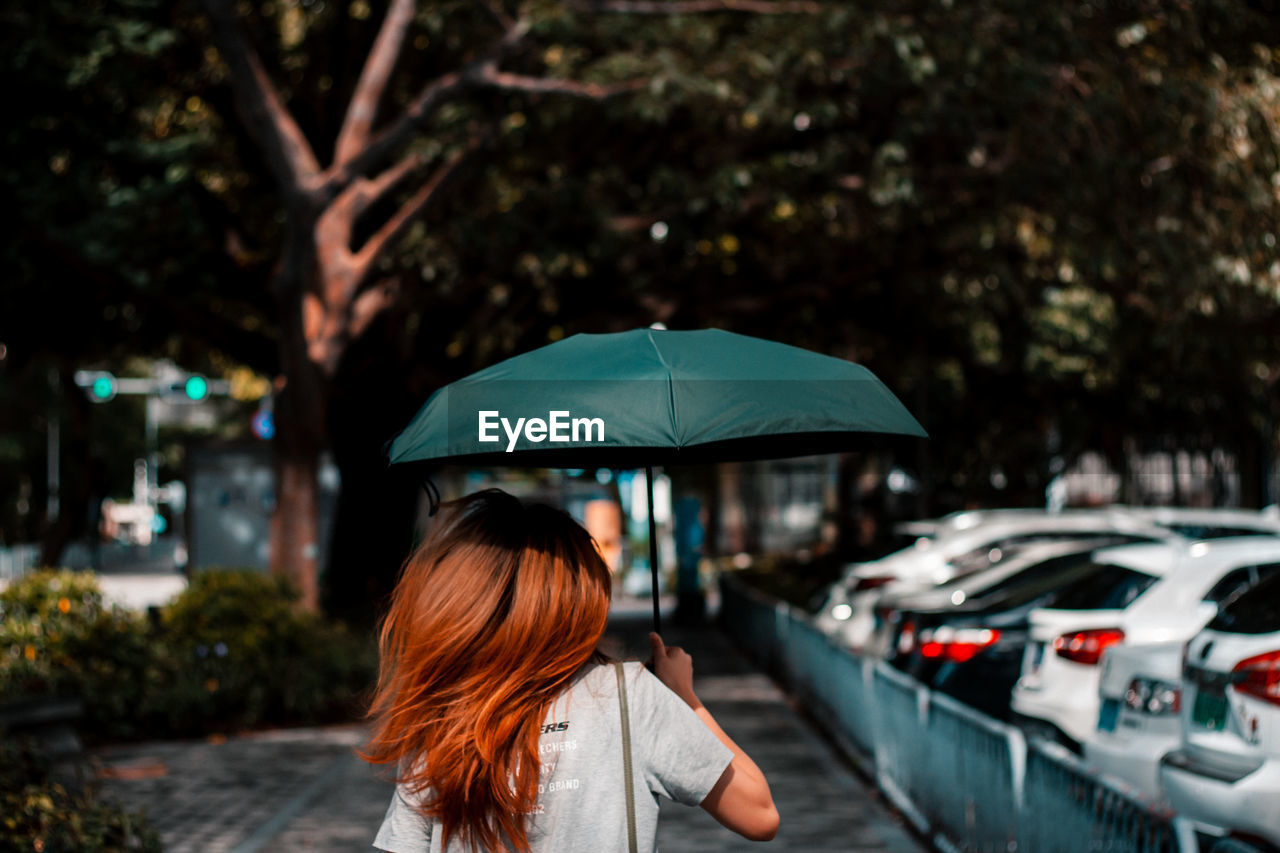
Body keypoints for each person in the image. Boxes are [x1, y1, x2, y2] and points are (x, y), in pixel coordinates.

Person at [362, 489, 778, 853]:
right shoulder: (628, 697)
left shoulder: (442, 714)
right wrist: (685, 699)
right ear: (577, 598)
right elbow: (759, 814)